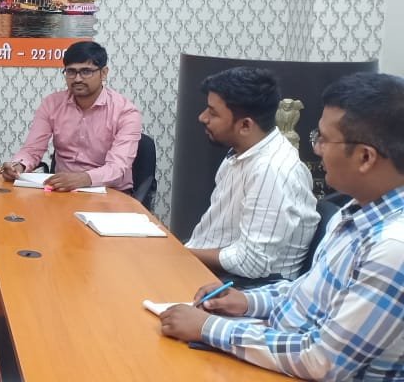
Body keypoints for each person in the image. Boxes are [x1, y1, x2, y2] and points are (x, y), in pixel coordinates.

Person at [161, 72, 404, 381]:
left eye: (323, 139)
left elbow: (322, 361)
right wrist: (247, 301)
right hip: (280, 342)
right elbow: (309, 291)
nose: (316, 149)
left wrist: (209, 328)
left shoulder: (393, 247)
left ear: (365, 157)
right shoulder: (356, 212)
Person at [185, 67, 319, 282]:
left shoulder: (271, 170)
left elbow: (252, 262)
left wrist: (181, 254)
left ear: (246, 125)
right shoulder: (242, 153)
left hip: (242, 288)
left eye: (213, 113)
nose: (202, 117)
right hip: (210, 272)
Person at [0, 41, 142, 192]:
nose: (77, 79)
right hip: (62, 191)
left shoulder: (126, 112)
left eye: (86, 71)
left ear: (104, 73)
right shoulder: (52, 104)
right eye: (71, 72)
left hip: (111, 193)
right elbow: (32, 150)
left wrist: (83, 178)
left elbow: (118, 168)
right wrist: (18, 166)